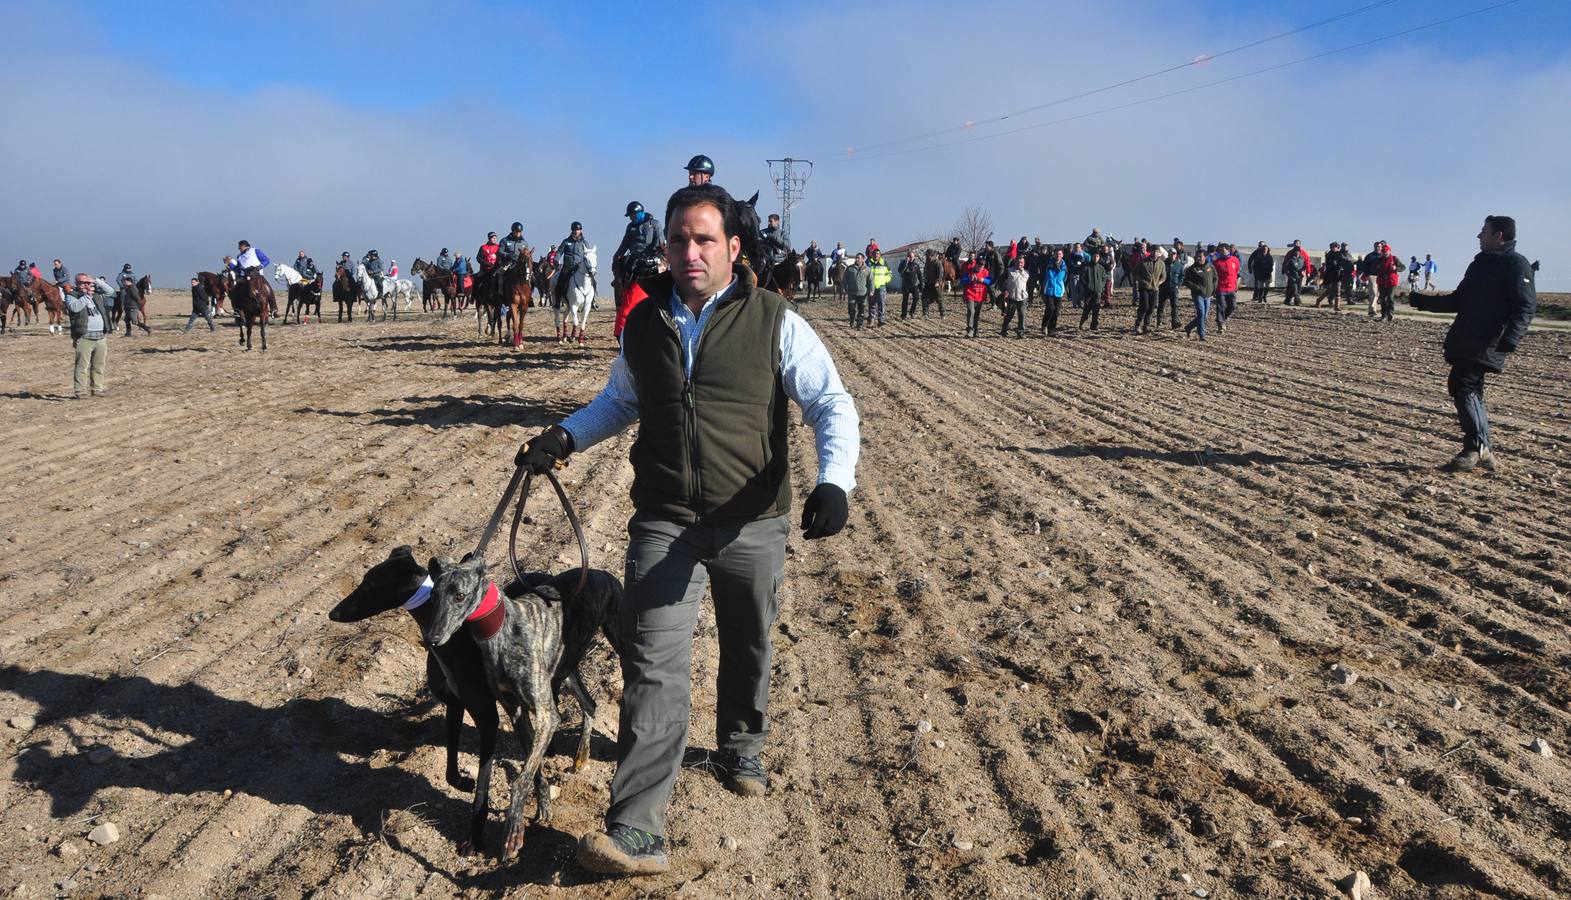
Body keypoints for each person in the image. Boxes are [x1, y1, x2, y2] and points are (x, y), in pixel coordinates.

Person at [514, 182, 859, 876]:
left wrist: (834, 481)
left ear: (732, 248)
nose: (690, 251)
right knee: (652, 668)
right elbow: (619, 402)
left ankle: (741, 744)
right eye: (679, 239)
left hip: (750, 521)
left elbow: (829, 400)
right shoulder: (644, 324)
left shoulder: (773, 319)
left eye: (704, 239)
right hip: (665, 520)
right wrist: (563, 436)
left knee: (748, 643)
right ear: (664, 247)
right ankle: (636, 828)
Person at [1407, 215, 1536, 471]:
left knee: (1462, 384)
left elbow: (1526, 306)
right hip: (1467, 337)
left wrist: (1511, 338)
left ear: (1499, 235)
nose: (1479, 236)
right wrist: (1421, 301)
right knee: (1471, 390)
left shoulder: (1516, 264)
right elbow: (1458, 300)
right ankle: (1483, 449)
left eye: (1484, 231)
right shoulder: (1479, 264)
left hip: (1488, 340)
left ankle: (1474, 447)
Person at [64, 273, 111, 398]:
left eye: (87, 282)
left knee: (98, 366)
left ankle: (97, 389)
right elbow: (75, 308)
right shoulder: (72, 296)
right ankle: (80, 391)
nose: (86, 285)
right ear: (77, 283)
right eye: (83, 282)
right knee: (82, 367)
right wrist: (86, 296)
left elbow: (111, 292)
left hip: (100, 337)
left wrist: (96, 280)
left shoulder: (97, 295)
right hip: (84, 337)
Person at [1130, 241, 1165, 335]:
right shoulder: (1143, 262)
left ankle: (1146, 326)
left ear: (1159, 253)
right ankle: (1138, 324)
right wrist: (1140, 280)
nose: (1155, 253)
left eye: (1157, 251)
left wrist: (1159, 283)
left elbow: (1163, 276)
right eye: (1153, 251)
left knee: (1152, 308)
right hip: (1144, 288)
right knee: (1145, 306)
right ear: (1150, 252)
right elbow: (1134, 273)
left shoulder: (1161, 264)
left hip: (1155, 289)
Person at [554, 221, 591, 308]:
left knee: (592, 280)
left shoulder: (584, 243)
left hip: (579, 267)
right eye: (574, 230)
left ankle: (593, 300)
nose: (576, 231)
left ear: (581, 230)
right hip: (567, 267)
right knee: (560, 281)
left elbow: (589, 254)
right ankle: (557, 302)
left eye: (578, 230)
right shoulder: (566, 242)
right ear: (571, 231)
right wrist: (556, 259)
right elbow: (559, 252)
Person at [1182, 251, 1217, 340]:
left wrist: (1213, 288)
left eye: (1200, 256)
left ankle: (1189, 327)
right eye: (1197, 256)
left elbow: (1215, 278)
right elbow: (1186, 281)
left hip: (1208, 294)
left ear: (1204, 257)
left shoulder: (1210, 267)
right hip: (1198, 294)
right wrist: (1196, 288)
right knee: (1201, 314)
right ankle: (1201, 334)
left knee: (1204, 315)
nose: (1198, 258)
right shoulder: (1192, 269)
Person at [960, 253, 991, 338]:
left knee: (977, 313)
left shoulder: (986, 272)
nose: (980, 268)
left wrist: (984, 280)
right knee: (971, 311)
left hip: (980, 296)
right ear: (975, 264)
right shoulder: (969, 271)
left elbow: (989, 281)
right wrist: (970, 279)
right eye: (979, 266)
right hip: (970, 294)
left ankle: (975, 330)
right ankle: (970, 330)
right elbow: (962, 281)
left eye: (982, 267)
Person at [1078, 249, 1110, 330]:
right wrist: (1087, 286)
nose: (1096, 258)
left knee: (1096, 309)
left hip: (1098, 292)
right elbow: (1082, 278)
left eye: (1097, 256)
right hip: (1088, 292)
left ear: (1099, 258)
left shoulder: (1101, 268)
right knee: (1087, 309)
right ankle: (1082, 323)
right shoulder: (1086, 267)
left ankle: (1094, 326)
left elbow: (1104, 279)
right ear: (1092, 257)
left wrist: (1101, 287)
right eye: (1094, 256)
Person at [1213, 244, 1240, 332]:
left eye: (1223, 251)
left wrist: (1236, 285)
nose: (1221, 253)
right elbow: (1214, 276)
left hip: (1232, 287)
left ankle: (1222, 319)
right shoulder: (1216, 263)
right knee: (1221, 306)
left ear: (1228, 250)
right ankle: (1221, 324)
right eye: (1220, 251)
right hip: (1220, 288)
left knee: (1233, 306)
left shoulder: (1235, 260)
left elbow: (1236, 272)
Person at [1040, 248, 1067, 336]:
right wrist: (1042, 289)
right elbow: (1043, 277)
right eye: (1056, 254)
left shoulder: (1064, 267)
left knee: (1056, 312)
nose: (1058, 256)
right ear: (1054, 255)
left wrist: (1063, 289)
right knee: (1050, 309)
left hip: (1059, 292)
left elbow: (1065, 279)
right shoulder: (1048, 265)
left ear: (1062, 255)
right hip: (1049, 291)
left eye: (1060, 254)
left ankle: (1052, 330)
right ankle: (1044, 325)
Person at [1373, 241, 1401, 322]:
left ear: (1389, 251)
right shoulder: (1379, 260)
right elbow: (1373, 269)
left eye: (1386, 252)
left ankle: (1391, 313)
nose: (1385, 253)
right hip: (1382, 281)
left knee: (1390, 298)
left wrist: (1396, 268)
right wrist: (1377, 268)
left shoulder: (1395, 259)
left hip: (1392, 281)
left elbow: (1403, 267)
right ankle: (1383, 315)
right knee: (1383, 299)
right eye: (1383, 252)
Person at [1000, 256, 1027, 338]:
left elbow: (1030, 285)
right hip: (1011, 297)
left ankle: (1020, 332)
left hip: (1022, 297)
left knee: (1022, 315)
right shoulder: (1008, 271)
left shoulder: (1026, 273)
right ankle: (1004, 330)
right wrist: (1004, 290)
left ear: (1024, 263)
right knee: (1009, 315)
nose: (1020, 264)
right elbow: (1000, 280)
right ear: (1015, 262)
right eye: (1018, 262)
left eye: (1021, 262)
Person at [842, 252, 871, 328]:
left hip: (863, 293)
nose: (857, 259)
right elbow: (844, 279)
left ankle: (859, 324)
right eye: (856, 258)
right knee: (851, 308)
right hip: (852, 293)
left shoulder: (867, 269)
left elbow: (871, 281)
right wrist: (843, 288)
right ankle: (852, 319)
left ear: (863, 259)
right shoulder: (850, 268)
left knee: (861, 309)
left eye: (859, 258)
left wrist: (871, 291)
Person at [866, 250, 890, 327]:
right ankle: (871, 320)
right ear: (872, 255)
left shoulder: (884, 263)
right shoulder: (868, 263)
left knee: (881, 304)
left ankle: (881, 320)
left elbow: (889, 274)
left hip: (881, 287)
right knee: (871, 304)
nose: (876, 255)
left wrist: (885, 281)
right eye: (875, 254)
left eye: (878, 254)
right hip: (871, 287)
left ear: (880, 255)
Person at [1281, 240, 1309, 306]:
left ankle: (1288, 300)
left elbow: (1306, 264)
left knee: (1297, 288)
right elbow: (1285, 264)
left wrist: (1306, 272)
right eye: (1295, 243)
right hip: (1292, 275)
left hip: (1300, 276)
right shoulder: (1290, 256)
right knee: (1294, 288)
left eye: (1298, 251)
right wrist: (1285, 272)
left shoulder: (1303, 256)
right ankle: (1298, 300)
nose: (1297, 252)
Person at [897, 251, 922, 319]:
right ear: (907, 257)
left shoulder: (916, 265)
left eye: (912, 257)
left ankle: (912, 312)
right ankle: (904, 315)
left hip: (914, 285)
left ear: (914, 257)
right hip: (905, 285)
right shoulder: (903, 263)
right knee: (905, 300)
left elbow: (919, 275)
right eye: (909, 257)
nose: (911, 258)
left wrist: (921, 283)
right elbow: (900, 271)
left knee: (916, 298)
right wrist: (906, 263)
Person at [921, 249, 945, 318]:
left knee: (939, 299)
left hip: (936, 284)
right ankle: (925, 313)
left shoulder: (937, 263)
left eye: (929, 256)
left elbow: (940, 274)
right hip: (928, 283)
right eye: (927, 256)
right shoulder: (927, 263)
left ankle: (943, 313)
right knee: (924, 298)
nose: (928, 257)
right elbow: (925, 272)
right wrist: (925, 280)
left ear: (932, 256)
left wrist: (938, 281)